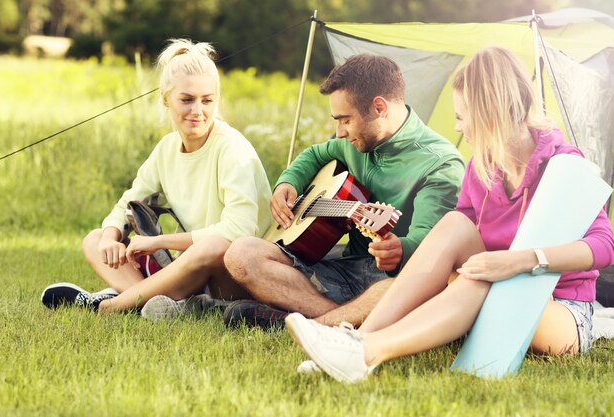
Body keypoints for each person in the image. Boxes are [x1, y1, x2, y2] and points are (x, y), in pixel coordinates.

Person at [284, 47, 614, 383]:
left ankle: (365, 351)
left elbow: (603, 247)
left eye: (461, 116)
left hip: (560, 312)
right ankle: (355, 340)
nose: (458, 126)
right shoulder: (480, 166)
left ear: (489, 113)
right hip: (494, 286)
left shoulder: (563, 165)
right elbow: (455, 241)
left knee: (480, 277)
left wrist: (521, 261)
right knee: (456, 225)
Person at [223, 54, 465, 330]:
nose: (339, 133)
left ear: (378, 107)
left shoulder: (440, 164)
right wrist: (288, 182)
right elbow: (315, 154)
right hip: (344, 270)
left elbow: (429, 244)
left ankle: (304, 321)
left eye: (345, 120)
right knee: (241, 254)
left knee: (396, 291)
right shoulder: (353, 142)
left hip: (389, 282)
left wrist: (399, 248)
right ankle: (338, 322)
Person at [41, 39, 272, 318]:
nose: (197, 110)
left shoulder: (232, 149)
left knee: (212, 246)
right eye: (187, 99)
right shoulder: (166, 149)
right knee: (94, 239)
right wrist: (110, 237)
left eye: (207, 100)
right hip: (192, 271)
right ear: (166, 99)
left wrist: (157, 243)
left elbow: (240, 230)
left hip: (236, 274)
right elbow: (128, 203)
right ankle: (154, 304)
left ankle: (111, 305)